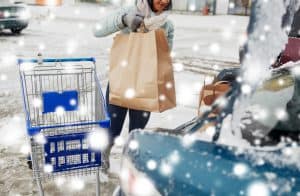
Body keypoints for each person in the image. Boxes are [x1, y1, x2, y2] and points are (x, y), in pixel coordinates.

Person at [93, 0, 174, 172]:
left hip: (147, 83)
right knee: (112, 128)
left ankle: (130, 165)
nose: (164, 1)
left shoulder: (167, 24)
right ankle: (103, 157)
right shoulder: (130, 11)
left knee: (136, 133)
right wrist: (123, 20)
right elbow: (97, 30)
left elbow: (165, 57)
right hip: (122, 78)